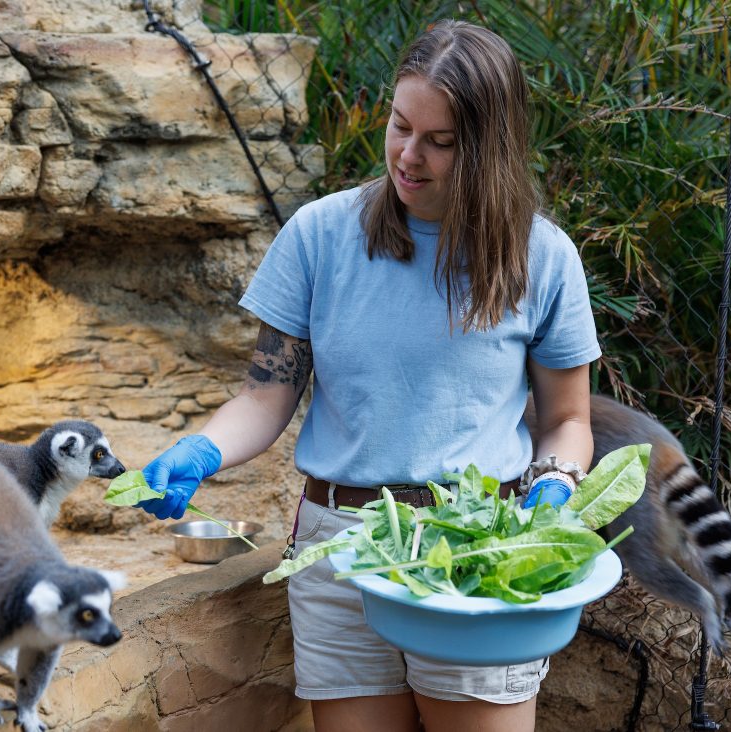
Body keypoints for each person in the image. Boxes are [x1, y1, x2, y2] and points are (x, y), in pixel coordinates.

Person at [136, 19, 600, 732]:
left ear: (487, 147)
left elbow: (569, 420)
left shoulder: (543, 256)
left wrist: (553, 484)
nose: (408, 155)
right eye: (399, 124)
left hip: (472, 556)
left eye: (439, 142)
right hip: (341, 548)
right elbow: (266, 395)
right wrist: (201, 450)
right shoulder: (320, 235)